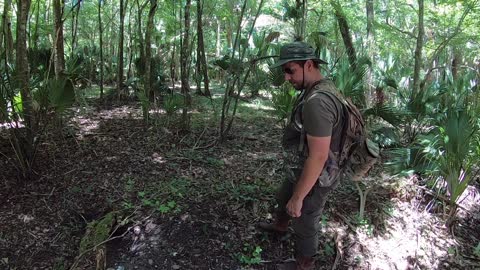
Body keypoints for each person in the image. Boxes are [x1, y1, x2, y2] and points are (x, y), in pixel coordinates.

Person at [258, 41, 347, 270]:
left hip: (318, 173)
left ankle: (303, 264)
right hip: (303, 165)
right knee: (284, 195)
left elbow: (318, 157)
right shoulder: (318, 88)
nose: (286, 77)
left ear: (309, 65)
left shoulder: (318, 101)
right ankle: (279, 227)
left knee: (306, 218)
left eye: (291, 70)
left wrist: (299, 198)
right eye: (284, 71)